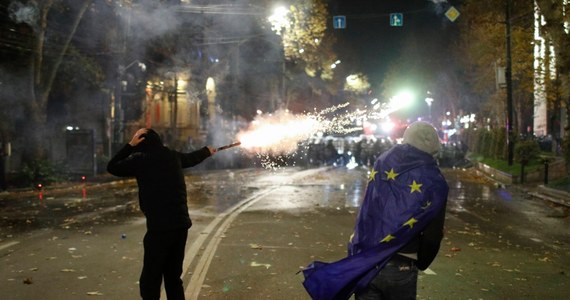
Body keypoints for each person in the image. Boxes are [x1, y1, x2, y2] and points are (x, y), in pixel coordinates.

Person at [302, 121, 448, 300]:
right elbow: (433, 233)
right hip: (402, 264)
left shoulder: (384, 161)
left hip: (367, 261)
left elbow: (370, 208)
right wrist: (423, 261)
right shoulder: (435, 179)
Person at [107, 128, 216, 300]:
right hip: (180, 227)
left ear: (140, 142)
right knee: (173, 279)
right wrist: (206, 151)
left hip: (159, 229)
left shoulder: (140, 160)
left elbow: (112, 166)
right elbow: (191, 158)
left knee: (151, 280)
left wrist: (129, 145)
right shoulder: (172, 156)